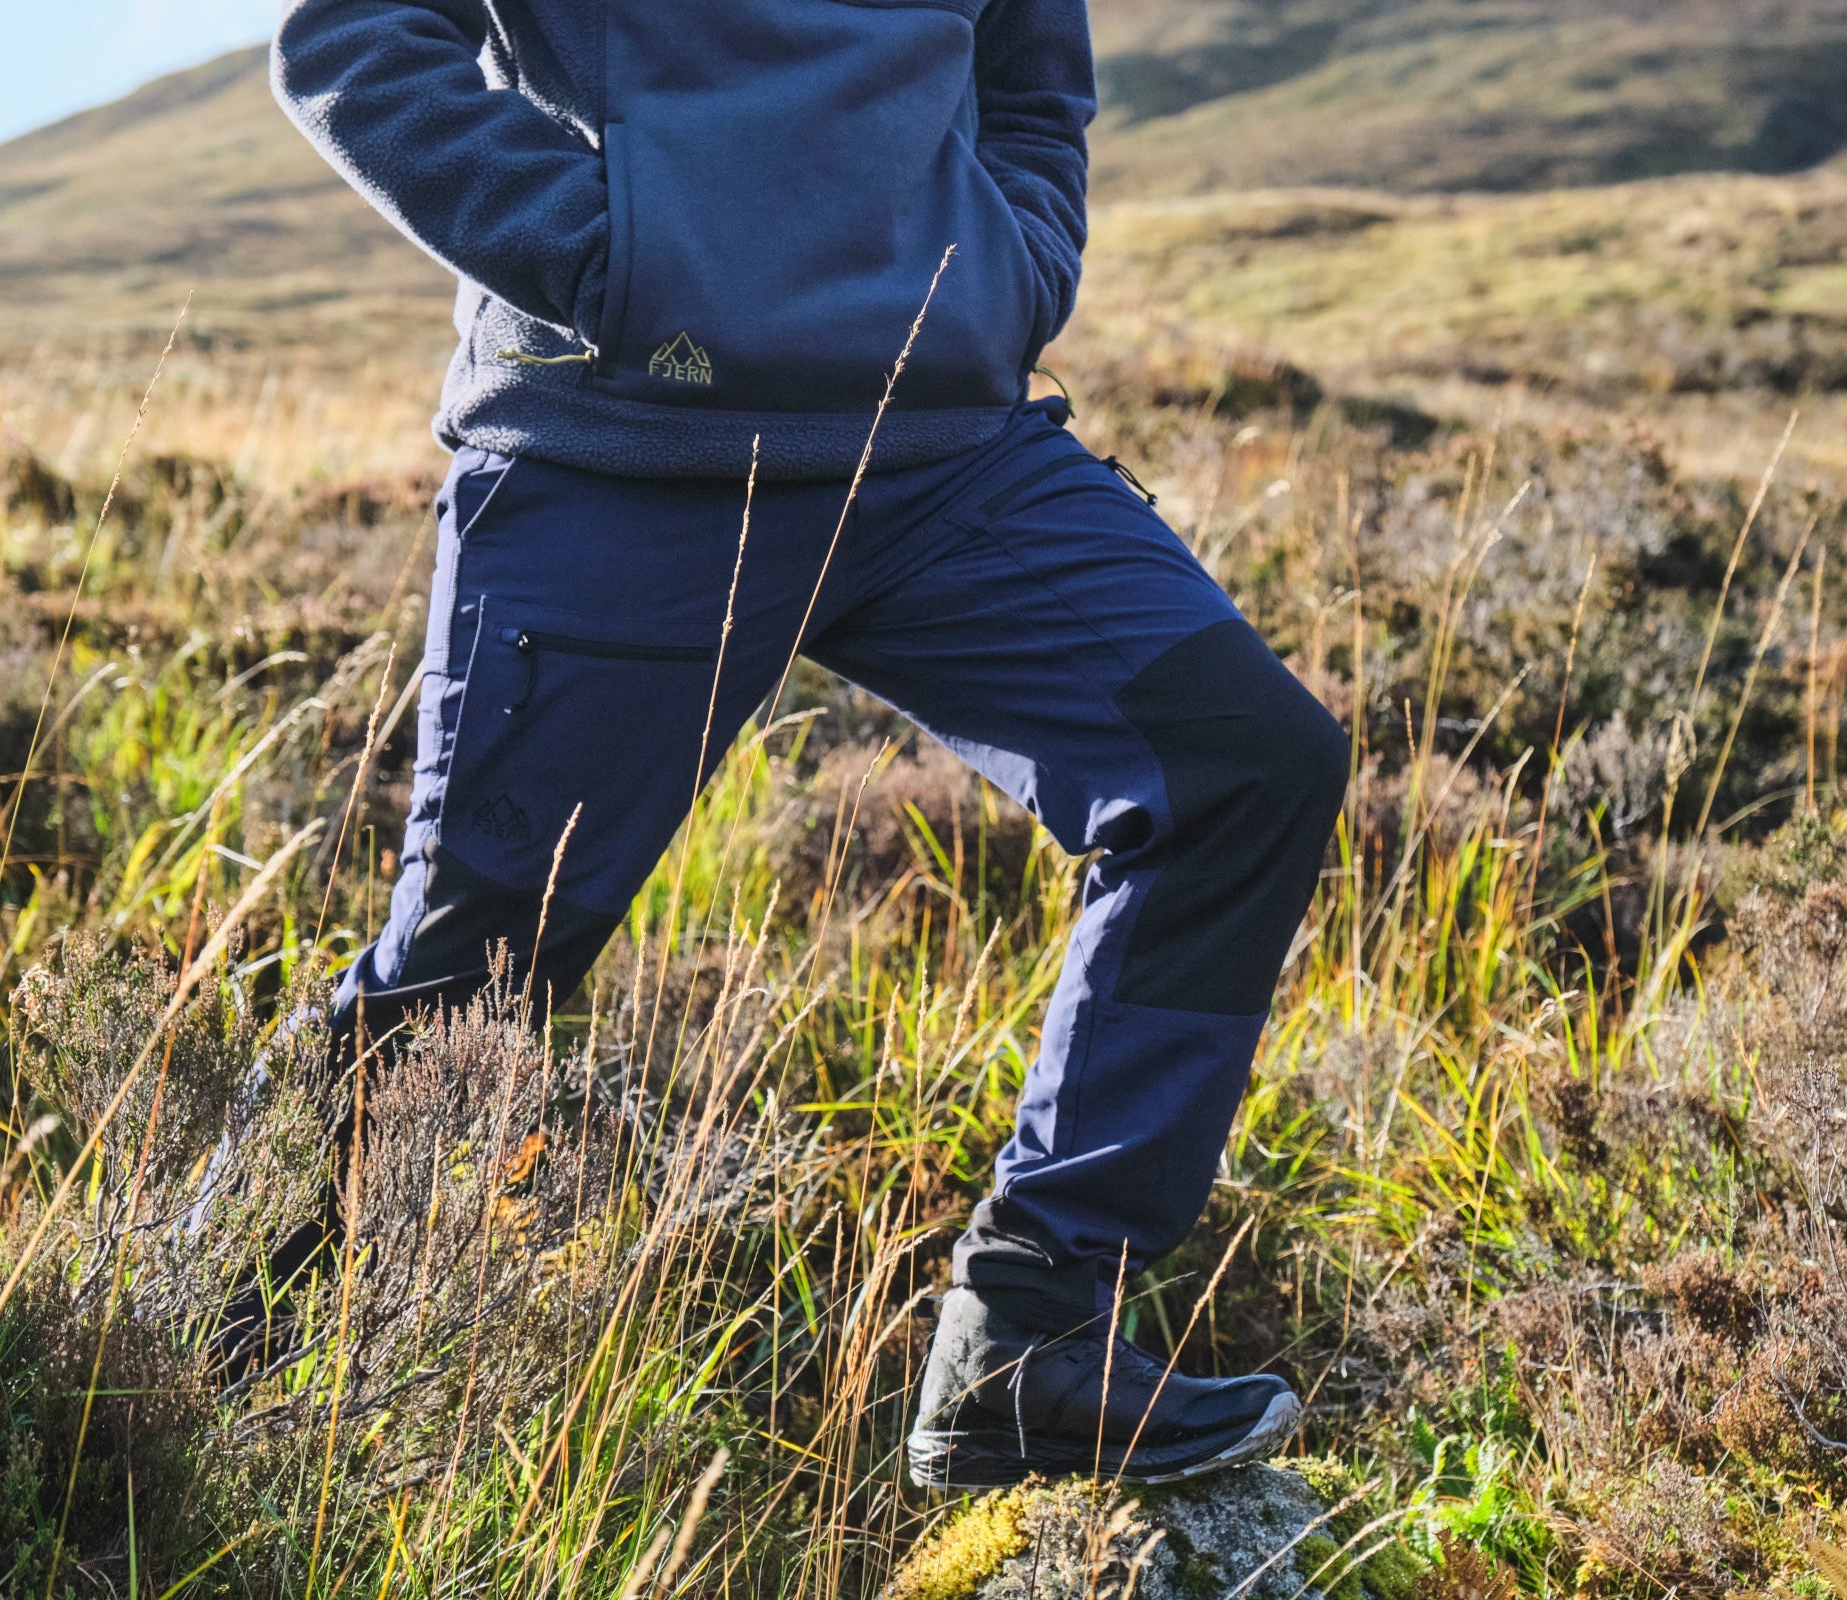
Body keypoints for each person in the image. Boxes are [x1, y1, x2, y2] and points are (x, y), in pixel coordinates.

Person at [261, 0, 1349, 1490]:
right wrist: (616, 261)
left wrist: (1005, 279)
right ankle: (197, 1368)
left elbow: (1033, 78)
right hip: (624, 447)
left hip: (945, 453)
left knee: (1239, 766)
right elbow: (355, 37)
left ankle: (1028, 1342)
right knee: (470, 979)